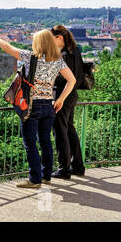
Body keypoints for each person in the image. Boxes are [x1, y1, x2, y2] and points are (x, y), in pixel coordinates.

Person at [0, 30, 76, 188]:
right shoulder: (58, 60)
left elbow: (7, 47)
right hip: (49, 105)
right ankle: (46, 176)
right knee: (46, 141)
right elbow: (72, 80)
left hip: (31, 105)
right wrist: (60, 99)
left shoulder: (30, 57)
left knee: (30, 143)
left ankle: (35, 179)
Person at [50, 25, 86, 179]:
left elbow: (66, 80)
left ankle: (64, 169)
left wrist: (59, 99)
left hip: (63, 95)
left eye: (53, 40)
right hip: (72, 95)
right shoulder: (75, 50)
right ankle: (77, 166)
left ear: (59, 38)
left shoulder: (64, 55)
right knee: (69, 130)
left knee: (60, 131)